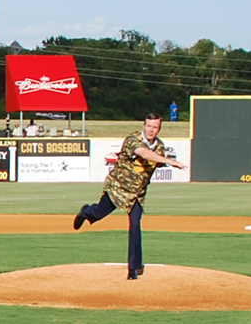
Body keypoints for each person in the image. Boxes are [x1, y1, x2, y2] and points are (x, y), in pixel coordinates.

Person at [72, 114, 186, 280]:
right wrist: (171, 161)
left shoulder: (160, 146)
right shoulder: (133, 139)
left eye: (155, 127)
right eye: (148, 126)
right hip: (118, 187)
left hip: (137, 194)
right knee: (98, 213)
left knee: (135, 225)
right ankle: (86, 212)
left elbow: (155, 158)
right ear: (144, 125)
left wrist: (169, 162)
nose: (151, 130)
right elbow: (144, 154)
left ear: (159, 129)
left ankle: (133, 268)